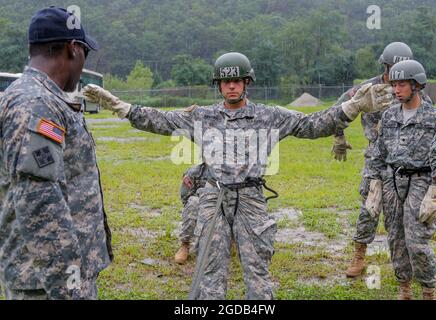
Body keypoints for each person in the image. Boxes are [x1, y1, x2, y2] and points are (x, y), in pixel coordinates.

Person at [84, 52, 392, 299]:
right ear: (218, 85)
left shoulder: (269, 116)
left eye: (238, 82)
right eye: (225, 82)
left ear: (247, 83)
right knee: (210, 269)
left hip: (251, 200)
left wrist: (351, 107)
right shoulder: (202, 116)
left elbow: (312, 125)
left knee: (257, 269)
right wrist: (122, 108)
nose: (231, 87)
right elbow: (162, 120)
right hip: (212, 198)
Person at [0, 7, 113, 300]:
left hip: (51, 274)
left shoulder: (41, 97)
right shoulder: (35, 103)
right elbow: (39, 203)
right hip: (47, 282)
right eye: (86, 52)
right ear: (73, 49)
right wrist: (68, 287)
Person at [337, 42, 430, 278]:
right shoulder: (369, 87)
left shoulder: (416, 89)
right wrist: (339, 135)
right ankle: (359, 255)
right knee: (369, 208)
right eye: (393, 68)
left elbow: (429, 119)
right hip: (376, 156)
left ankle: (409, 264)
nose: (397, 74)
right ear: (385, 66)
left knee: (409, 214)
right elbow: (341, 106)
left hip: (407, 161)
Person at [366, 60, 436, 300]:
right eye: (393, 85)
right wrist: (374, 184)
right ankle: (404, 288)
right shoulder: (388, 116)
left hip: (421, 179)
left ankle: (428, 290)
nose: (396, 90)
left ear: (416, 85)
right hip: (392, 180)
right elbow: (378, 152)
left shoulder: (434, 118)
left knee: (416, 240)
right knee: (396, 237)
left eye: (401, 85)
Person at [175, 163, 207, 264]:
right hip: (205, 208)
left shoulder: (232, 172)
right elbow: (186, 199)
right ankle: (185, 244)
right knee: (193, 202)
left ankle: (232, 240)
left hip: (224, 208)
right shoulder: (195, 172)